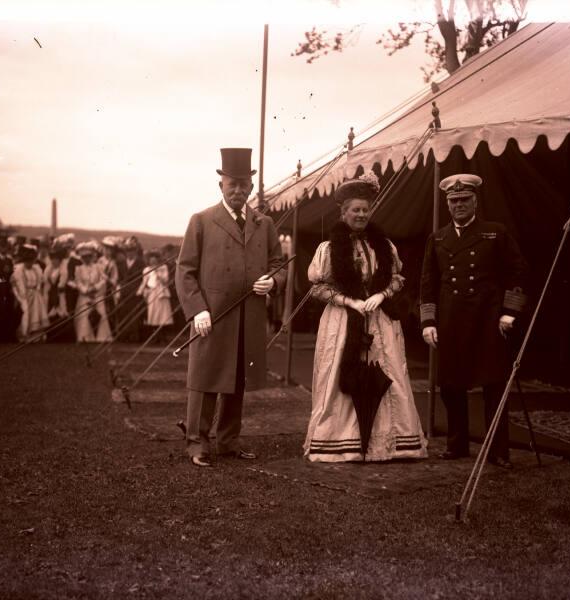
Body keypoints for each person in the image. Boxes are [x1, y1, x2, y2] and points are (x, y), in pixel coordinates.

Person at [303, 173, 428, 462]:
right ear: (343, 213)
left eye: (365, 210)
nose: (361, 214)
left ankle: (392, 443)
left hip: (380, 320)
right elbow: (318, 288)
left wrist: (381, 296)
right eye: (355, 210)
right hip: (343, 321)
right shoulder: (330, 249)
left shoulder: (383, 246)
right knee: (340, 375)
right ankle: (342, 443)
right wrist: (350, 302)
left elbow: (397, 279)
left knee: (389, 372)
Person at [176, 147, 286, 467]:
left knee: (237, 379)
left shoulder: (264, 224)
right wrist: (197, 309)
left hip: (248, 316)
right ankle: (197, 442)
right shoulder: (202, 221)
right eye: (231, 184)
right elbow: (185, 270)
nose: (237, 190)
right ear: (220, 185)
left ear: (251, 187)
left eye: (243, 184)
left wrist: (274, 282)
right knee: (205, 378)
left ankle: (228, 441)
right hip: (211, 315)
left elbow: (279, 265)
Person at [420, 174, 529, 468]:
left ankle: (498, 450)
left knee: (493, 385)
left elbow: (517, 272)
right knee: (451, 386)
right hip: (451, 320)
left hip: (487, 319)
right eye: (454, 201)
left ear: (475, 201)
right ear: (447, 205)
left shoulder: (495, 233)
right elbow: (428, 283)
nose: (459, 206)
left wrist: (510, 312)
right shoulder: (438, 238)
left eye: (464, 200)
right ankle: (457, 445)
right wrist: (428, 322)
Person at [71, 241, 111, 342]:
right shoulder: (78, 269)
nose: (86, 259)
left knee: (100, 313)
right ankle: (85, 337)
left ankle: (101, 337)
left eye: (88, 256)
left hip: (97, 295)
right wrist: (86, 290)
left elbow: (104, 279)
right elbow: (78, 282)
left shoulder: (98, 267)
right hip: (85, 295)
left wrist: (96, 287)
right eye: (84, 257)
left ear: (92, 256)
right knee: (84, 315)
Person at [10, 244, 49, 341]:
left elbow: (40, 282)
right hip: (25, 294)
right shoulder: (19, 270)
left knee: (37, 313)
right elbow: (17, 285)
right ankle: (26, 334)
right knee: (27, 312)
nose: (30, 263)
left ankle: (37, 336)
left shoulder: (36, 269)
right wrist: (21, 297)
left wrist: (38, 290)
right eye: (28, 261)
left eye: (31, 261)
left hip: (35, 294)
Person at [116, 235, 145, 342]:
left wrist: (140, 290)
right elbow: (119, 278)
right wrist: (118, 290)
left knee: (134, 314)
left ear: (136, 251)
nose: (130, 253)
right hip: (124, 291)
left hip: (135, 292)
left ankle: (134, 336)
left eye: (132, 250)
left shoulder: (141, 263)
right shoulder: (121, 263)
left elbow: (143, 278)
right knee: (123, 313)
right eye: (128, 251)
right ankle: (124, 336)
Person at [137, 248, 173, 332]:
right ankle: (154, 332)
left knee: (162, 314)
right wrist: (140, 291)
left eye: (154, 259)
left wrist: (157, 272)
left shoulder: (163, 267)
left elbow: (166, 280)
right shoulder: (146, 270)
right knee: (153, 314)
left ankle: (162, 333)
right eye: (151, 259)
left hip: (161, 291)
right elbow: (144, 282)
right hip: (151, 292)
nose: (153, 261)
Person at [43, 244, 69, 333]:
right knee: (48, 310)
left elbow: (62, 284)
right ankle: (49, 332)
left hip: (59, 294)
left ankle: (60, 334)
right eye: (52, 259)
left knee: (59, 311)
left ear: (60, 260)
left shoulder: (63, 271)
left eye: (56, 259)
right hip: (49, 293)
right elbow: (46, 282)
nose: (54, 261)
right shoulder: (48, 270)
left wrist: (58, 289)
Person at [99, 236, 121, 332]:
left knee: (110, 308)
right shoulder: (100, 261)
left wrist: (109, 280)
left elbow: (115, 277)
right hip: (100, 287)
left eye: (109, 250)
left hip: (109, 288)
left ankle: (112, 329)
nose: (107, 251)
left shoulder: (113, 263)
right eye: (105, 249)